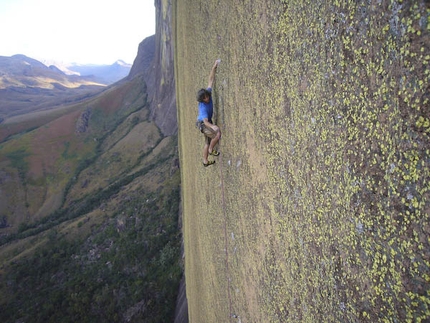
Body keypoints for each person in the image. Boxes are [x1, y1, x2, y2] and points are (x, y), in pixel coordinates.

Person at [196, 59, 221, 167]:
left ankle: (205, 161)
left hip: (203, 123)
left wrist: (214, 67)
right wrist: (213, 126)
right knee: (217, 134)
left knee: (207, 141)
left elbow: (210, 80)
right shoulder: (203, 108)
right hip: (203, 124)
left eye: (206, 97)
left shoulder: (208, 93)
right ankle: (211, 149)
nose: (207, 99)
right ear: (201, 100)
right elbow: (205, 121)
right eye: (204, 98)